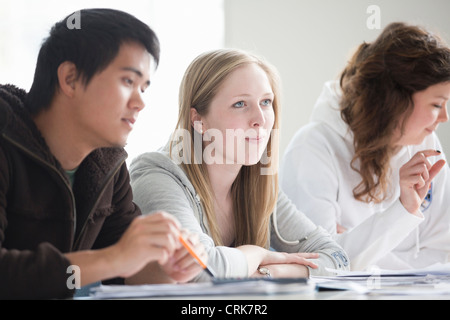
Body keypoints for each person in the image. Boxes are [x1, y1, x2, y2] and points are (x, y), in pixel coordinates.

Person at [0, 8, 206, 300]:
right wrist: (114, 257)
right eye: (128, 82)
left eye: (144, 88)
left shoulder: (107, 164)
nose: (140, 102)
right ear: (70, 78)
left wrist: (169, 269)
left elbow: (126, 272)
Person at [130, 48, 349, 282]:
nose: (260, 120)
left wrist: (268, 270)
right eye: (240, 104)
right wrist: (257, 254)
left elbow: (338, 259)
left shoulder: (260, 183)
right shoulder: (157, 175)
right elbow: (200, 272)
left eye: (266, 102)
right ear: (199, 120)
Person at [280, 22, 450, 271]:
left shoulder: (425, 143)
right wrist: (403, 212)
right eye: (437, 104)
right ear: (395, 101)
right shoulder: (312, 148)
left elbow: (443, 256)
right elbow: (318, 266)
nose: (445, 116)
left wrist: (356, 249)